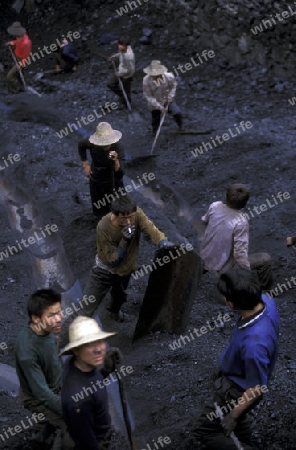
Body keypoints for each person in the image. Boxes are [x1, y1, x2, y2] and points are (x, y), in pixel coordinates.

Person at [59, 195, 172, 348]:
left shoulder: (136, 215)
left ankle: (114, 313)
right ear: (114, 215)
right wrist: (124, 241)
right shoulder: (104, 227)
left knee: (119, 296)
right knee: (85, 310)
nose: (128, 222)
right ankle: (58, 343)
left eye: (131, 218)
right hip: (103, 273)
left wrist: (162, 241)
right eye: (124, 219)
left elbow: (150, 228)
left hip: (125, 271)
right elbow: (113, 259)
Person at [193, 269, 279, 449]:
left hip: (236, 390)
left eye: (225, 297)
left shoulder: (253, 345)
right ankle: (243, 438)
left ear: (233, 304)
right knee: (238, 426)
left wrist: (232, 415)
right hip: (239, 375)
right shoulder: (267, 302)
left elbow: (256, 388)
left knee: (203, 430)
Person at [15, 289, 74, 449]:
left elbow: (53, 358)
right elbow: (41, 394)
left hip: (53, 386)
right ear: (35, 318)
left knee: (51, 421)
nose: (60, 318)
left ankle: (40, 439)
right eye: (52, 315)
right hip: (35, 396)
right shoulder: (27, 352)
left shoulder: (46, 329)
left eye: (59, 311)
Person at [61, 316, 122, 450]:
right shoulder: (78, 398)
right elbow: (85, 441)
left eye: (99, 341)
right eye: (89, 345)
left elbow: (90, 385)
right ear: (76, 350)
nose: (99, 349)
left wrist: (105, 370)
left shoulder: (77, 364)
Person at [200, 184, 272, 288]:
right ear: (244, 204)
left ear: (227, 196)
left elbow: (204, 221)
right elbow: (239, 254)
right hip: (222, 268)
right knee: (265, 259)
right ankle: (262, 289)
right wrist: (247, 270)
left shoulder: (215, 206)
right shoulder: (240, 222)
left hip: (204, 258)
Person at [78, 122, 125, 219]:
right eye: (103, 143)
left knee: (119, 209)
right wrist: (85, 165)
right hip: (97, 179)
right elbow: (81, 145)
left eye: (107, 143)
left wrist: (116, 161)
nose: (105, 145)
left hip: (113, 180)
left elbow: (120, 174)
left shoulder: (118, 147)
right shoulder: (91, 143)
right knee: (99, 210)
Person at [143, 60, 183, 134]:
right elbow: (148, 96)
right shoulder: (146, 80)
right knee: (155, 117)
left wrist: (171, 96)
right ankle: (155, 131)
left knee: (177, 112)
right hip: (155, 102)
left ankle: (181, 127)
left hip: (166, 98)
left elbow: (173, 86)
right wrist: (159, 106)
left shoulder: (169, 76)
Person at [107, 36, 135, 108]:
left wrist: (120, 74)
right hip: (121, 70)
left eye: (121, 45)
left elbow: (130, 69)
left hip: (126, 75)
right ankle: (122, 96)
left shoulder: (129, 56)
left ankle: (126, 104)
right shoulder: (122, 49)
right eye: (119, 45)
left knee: (127, 91)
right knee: (110, 84)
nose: (119, 47)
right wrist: (115, 56)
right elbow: (120, 54)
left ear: (126, 46)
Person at [5, 21, 32, 94]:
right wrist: (12, 43)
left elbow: (26, 56)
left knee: (9, 76)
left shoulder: (26, 43)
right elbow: (18, 42)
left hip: (21, 60)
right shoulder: (19, 37)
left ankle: (13, 92)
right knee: (19, 74)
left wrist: (21, 64)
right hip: (17, 56)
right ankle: (22, 87)